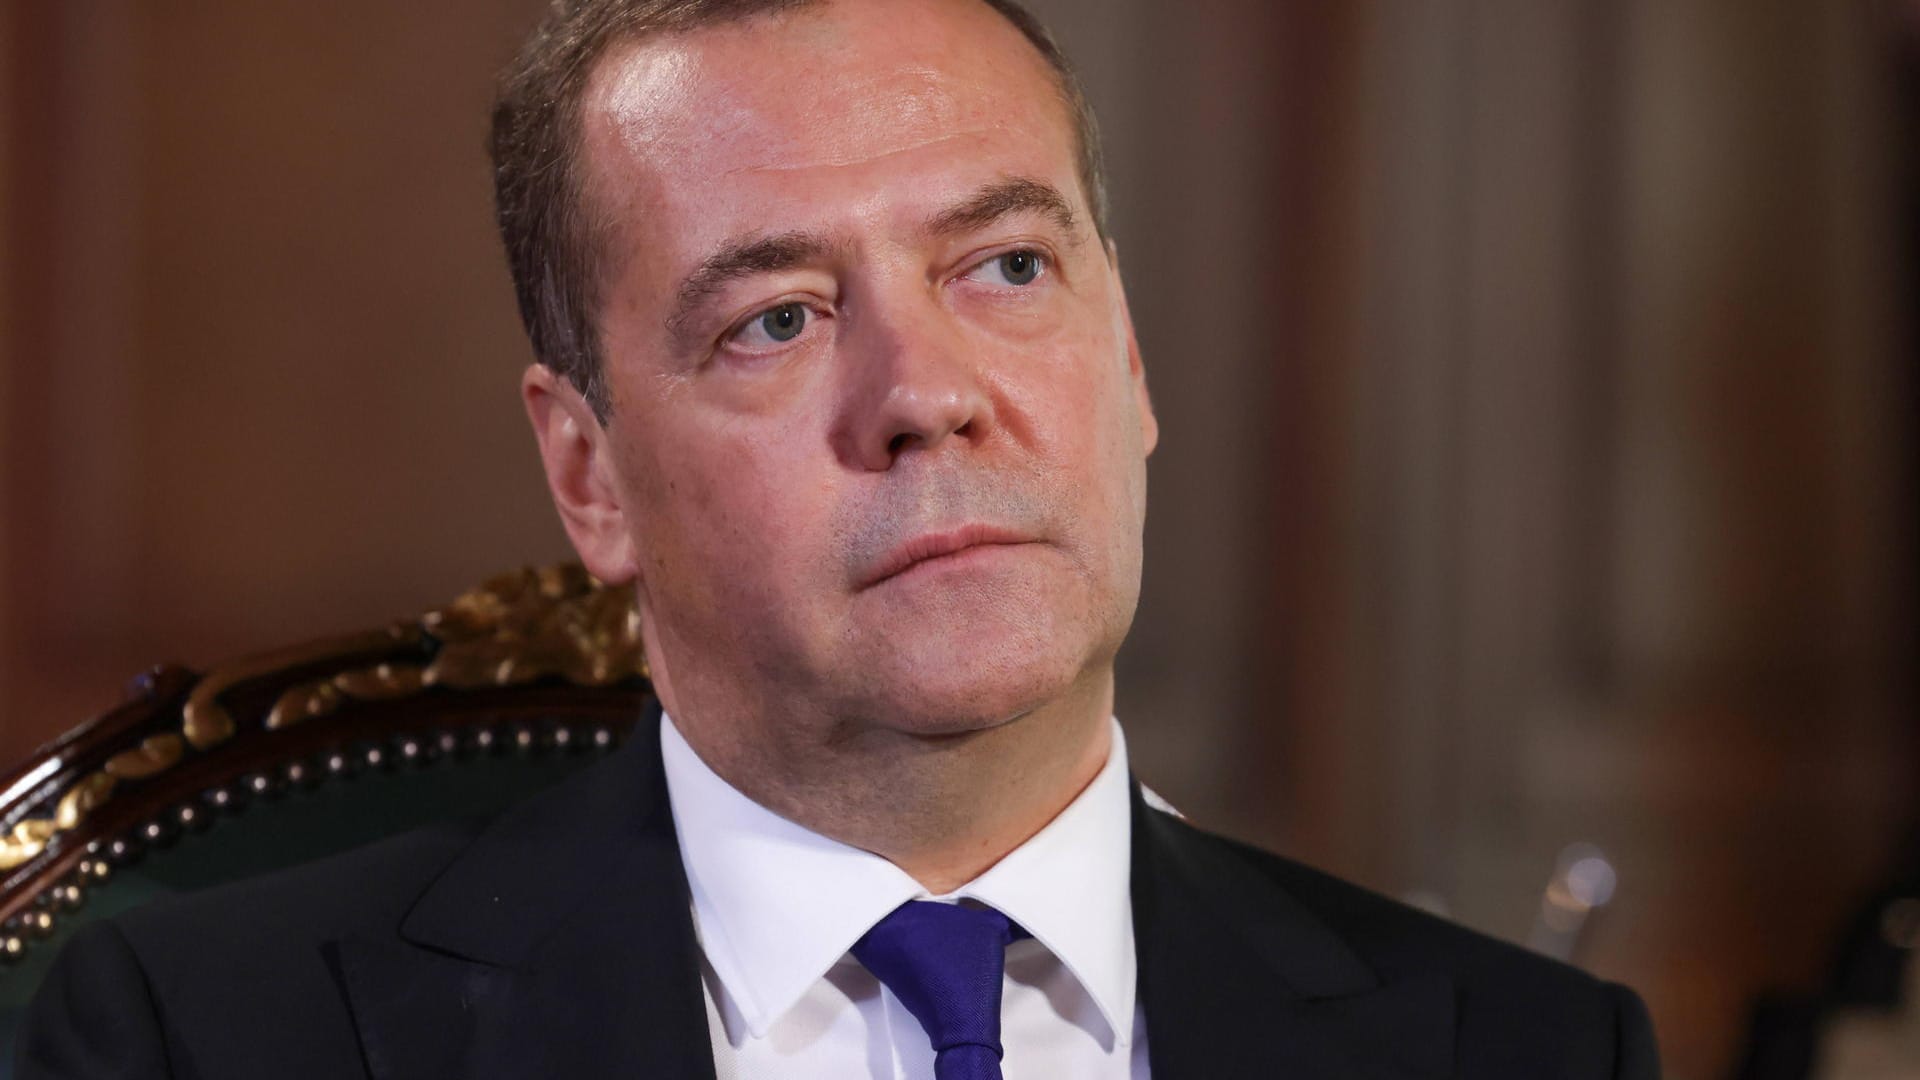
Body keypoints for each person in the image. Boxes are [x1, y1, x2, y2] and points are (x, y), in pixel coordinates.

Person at [16, 0, 1660, 1076]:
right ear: (589, 476)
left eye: (1006, 267)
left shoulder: (1526, 1053)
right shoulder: (208, 1037)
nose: (927, 396)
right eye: (780, 318)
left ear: (1130, 360)